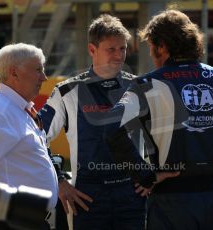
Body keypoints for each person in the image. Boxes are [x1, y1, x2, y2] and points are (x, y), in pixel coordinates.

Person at [103, 10, 213, 230]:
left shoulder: (146, 85)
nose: (150, 54)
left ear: (162, 47)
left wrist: (145, 176)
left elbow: (110, 127)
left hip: (170, 203)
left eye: (151, 46)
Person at [40, 14, 146, 230]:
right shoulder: (66, 91)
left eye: (123, 49)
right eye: (111, 49)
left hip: (132, 195)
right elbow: (35, 137)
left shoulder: (140, 87)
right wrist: (59, 182)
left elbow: (164, 135)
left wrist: (153, 174)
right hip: (87, 199)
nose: (119, 56)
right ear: (91, 49)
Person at [0, 43, 58, 230]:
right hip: (11, 222)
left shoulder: (16, 106)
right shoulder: (1, 108)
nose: (44, 77)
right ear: (14, 73)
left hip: (27, 220)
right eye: (38, 70)